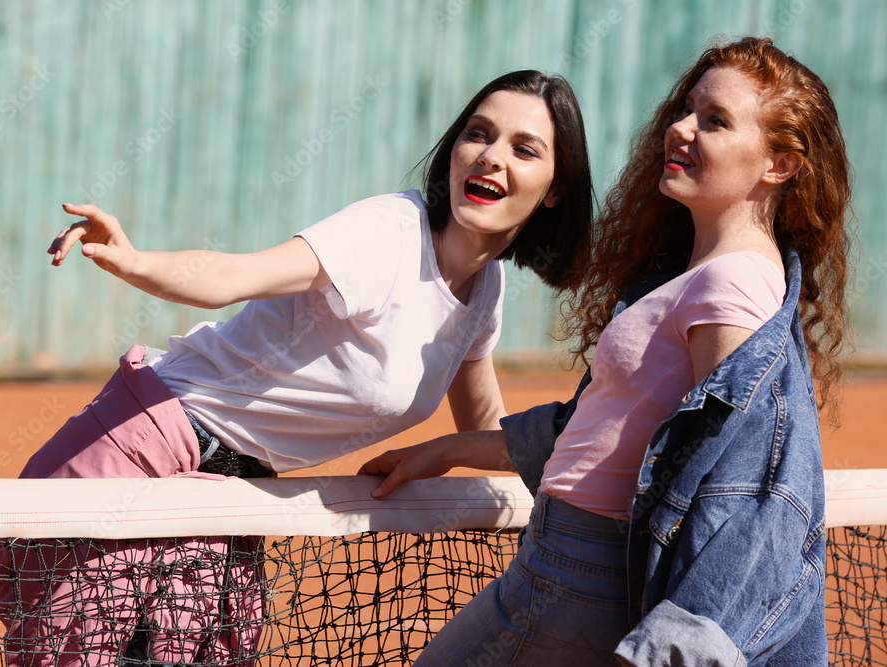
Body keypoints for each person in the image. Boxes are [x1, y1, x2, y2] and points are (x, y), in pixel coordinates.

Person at [0, 69, 595, 666]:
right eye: (479, 134)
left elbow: (490, 426)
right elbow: (232, 276)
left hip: (232, 492)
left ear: (555, 187)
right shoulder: (390, 233)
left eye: (524, 148)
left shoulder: (484, 289)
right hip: (148, 444)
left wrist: (543, 469)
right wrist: (134, 260)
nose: (490, 156)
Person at [361, 36, 851, 665]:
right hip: (566, 568)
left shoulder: (732, 284)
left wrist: (676, 645)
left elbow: (746, 481)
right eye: (688, 109)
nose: (681, 128)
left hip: (575, 579)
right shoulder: (703, 276)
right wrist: (449, 448)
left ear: (778, 165)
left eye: (716, 121)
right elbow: (601, 430)